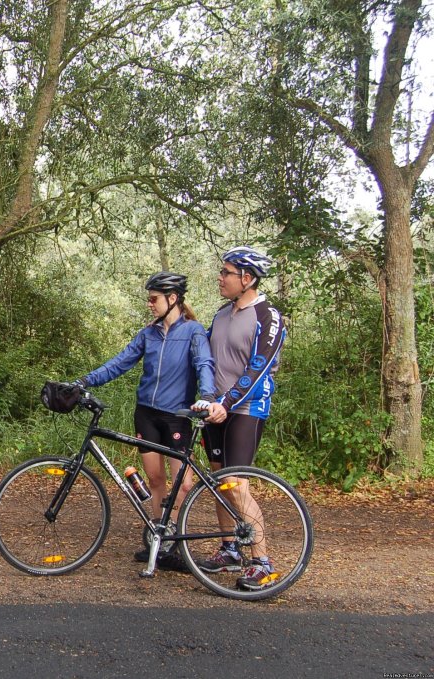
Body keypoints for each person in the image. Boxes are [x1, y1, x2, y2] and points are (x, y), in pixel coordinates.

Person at [73, 272, 216, 568]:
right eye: (148, 299)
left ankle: (174, 534)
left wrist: (209, 396)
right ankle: (157, 538)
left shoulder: (193, 331)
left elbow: (204, 363)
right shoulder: (148, 334)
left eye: (154, 299)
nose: (149, 304)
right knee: (155, 478)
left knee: (184, 483)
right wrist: (85, 381)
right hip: (147, 414)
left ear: (172, 298)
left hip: (177, 416)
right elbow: (120, 362)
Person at [195, 246, 286, 591]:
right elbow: (205, 357)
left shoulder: (268, 317)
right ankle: (230, 548)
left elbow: (258, 368)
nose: (220, 278)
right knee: (219, 482)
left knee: (237, 485)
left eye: (226, 273)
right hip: (215, 409)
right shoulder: (221, 314)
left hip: (246, 409)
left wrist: (227, 403)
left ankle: (263, 562)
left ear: (247, 278)